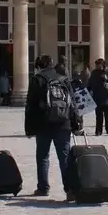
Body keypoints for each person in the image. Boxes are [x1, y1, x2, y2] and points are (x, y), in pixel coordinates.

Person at [25, 54, 83, 198]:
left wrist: (29, 129)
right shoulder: (63, 79)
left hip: (43, 124)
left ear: (39, 66)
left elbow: (30, 106)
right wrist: (77, 124)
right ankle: (69, 190)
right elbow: (73, 104)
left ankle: (43, 187)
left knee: (43, 157)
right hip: (64, 124)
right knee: (64, 158)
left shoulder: (37, 80)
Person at [87, 58, 108, 136]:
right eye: (96, 65)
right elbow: (90, 83)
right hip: (97, 97)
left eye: (99, 65)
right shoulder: (94, 73)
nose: (97, 67)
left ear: (103, 65)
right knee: (99, 116)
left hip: (107, 97)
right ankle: (98, 131)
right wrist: (87, 90)